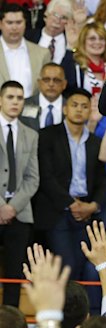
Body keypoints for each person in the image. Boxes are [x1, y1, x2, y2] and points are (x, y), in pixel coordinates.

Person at [34, 88, 106, 311]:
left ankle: (93, 317)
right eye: (74, 105)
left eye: (84, 106)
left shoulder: (96, 142)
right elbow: (45, 176)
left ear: (89, 111)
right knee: (68, 266)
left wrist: (93, 205)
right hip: (58, 211)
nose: (79, 109)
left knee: (92, 269)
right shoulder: (47, 135)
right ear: (65, 108)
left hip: (88, 214)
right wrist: (71, 203)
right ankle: (66, 316)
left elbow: (102, 182)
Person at [0, 81, 39, 307]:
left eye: (20, 98)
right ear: (1, 100)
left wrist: (12, 207)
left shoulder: (31, 135)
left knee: (15, 273)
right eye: (11, 97)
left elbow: (33, 178)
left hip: (20, 213)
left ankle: (12, 319)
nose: (16, 102)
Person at [0, 4, 51, 98]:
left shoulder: (42, 54)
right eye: (10, 23)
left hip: (32, 109)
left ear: (25, 24)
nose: (14, 28)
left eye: (18, 22)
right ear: (1, 24)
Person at [61, 22, 106, 95]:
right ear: (83, 41)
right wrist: (70, 47)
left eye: (101, 38)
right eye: (92, 39)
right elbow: (65, 84)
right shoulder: (74, 64)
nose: (97, 42)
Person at [20, 63, 67, 131]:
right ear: (39, 83)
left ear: (64, 84)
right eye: (46, 80)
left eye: (56, 80)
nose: (51, 84)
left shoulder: (71, 107)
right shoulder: (23, 105)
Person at [25, 0, 71, 64]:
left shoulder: (70, 42)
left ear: (68, 22)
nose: (57, 21)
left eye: (63, 17)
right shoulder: (28, 37)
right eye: (55, 15)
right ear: (46, 16)